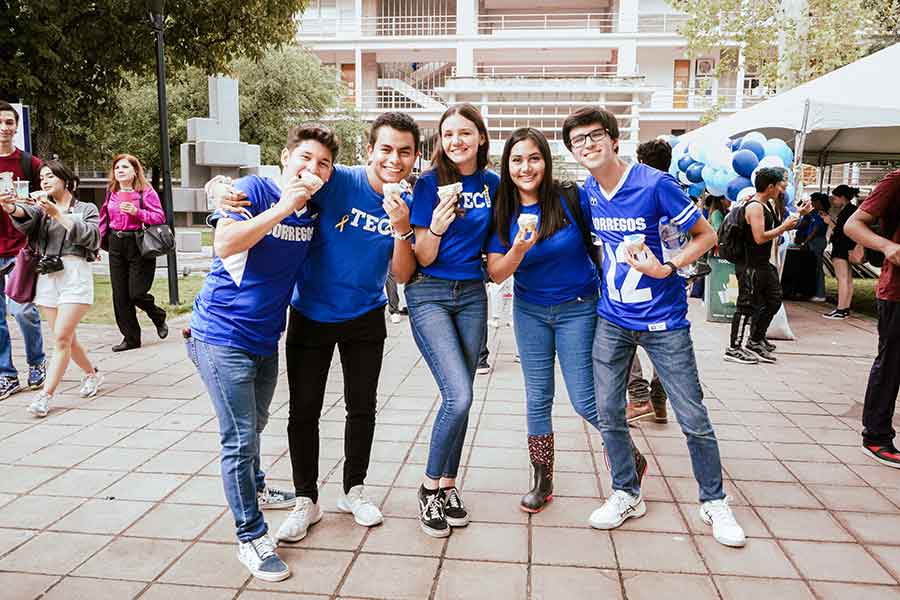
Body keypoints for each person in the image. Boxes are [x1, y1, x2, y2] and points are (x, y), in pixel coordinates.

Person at [211, 113, 418, 544]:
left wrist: (401, 227)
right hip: (310, 312)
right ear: (370, 151)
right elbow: (282, 179)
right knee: (304, 410)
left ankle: (354, 490)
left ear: (415, 157)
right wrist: (219, 189)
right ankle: (307, 498)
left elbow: (401, 274)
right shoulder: (335, 178)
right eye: (386, 149)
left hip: (365, 315)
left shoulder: (408, 198)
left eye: (404, 151)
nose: (394, 160)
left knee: (362, 408)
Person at [562, 106, 746, 548]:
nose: (586, 145)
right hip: (612, 318)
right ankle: (626, 492)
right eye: (577, 140)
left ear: (613, 139)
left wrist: (669, 266)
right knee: (609, 411)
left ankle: (714, 500)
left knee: (692, 414)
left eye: (593, 136)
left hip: (664, 321)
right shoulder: (588, 191)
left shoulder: (654, 183)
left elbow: (706, 236)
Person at [189, 124, 336, 582]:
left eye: (323, 164)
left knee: (257, 423)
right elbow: (225, 243)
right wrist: (279, 206)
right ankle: (251, 536)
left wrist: (298, 205)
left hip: (265, 337)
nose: (312, 169)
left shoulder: (314, 208)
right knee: (239, 438)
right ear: (284, 157)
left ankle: (253, 487)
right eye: (304, 158)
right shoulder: (255, 189)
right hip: (219, 333)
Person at [486, 127, 648, 513]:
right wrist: (520, 249)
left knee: (584, 399)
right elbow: (496, 272)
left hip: (578, 307)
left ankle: (627, 457)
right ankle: (542, 480)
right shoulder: (502, 208)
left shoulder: (570, 198)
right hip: (530, 312)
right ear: (507, 165)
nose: (526, 167)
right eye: (517, 159)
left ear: (546, 159)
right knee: (537, 398)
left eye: (534, 158)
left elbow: (608, 236)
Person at [408, 103, 498, 538]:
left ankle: (448, 485)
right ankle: (428, 489)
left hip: (473, 294)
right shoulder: (428, 185)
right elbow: (422, 255)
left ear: (481, 137)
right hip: (430, 293)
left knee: (465, 396)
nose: (456, 141)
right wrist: (439, 227)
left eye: (465, 133)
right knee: (457, 395)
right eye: (447, 135)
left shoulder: (492, 184)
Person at [2, 160, 101, 417]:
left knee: (60, 338)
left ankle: (45, 395)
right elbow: (25, 218)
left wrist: (59, 214)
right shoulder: (39, 208)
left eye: (50, 176)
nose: (44, 180)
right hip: (47, 277)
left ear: (65, 180)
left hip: (75, 275)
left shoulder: (86, 208)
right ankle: (91, 373)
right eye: (42, 177)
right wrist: (11, 207)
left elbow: (92, 238)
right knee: (67, 337)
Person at [845, 169, 900, 467]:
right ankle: (876, 437)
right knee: (891, 365)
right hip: (897, 293)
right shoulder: (896, 180)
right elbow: (853, 225)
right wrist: (887, 246)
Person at [724, 168, 806, 365]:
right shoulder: (755, 207)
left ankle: (755, 340)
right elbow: (760, 238)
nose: (783, 187)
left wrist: (798, 215)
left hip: (762, 264)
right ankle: (734, 348)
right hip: (750, 264)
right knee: (746, 306)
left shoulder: (767, 204)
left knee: (774, 299)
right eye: (780, 184)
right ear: (770, 186)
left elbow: (774, 228)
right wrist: (784, 227)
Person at [98, 154, 169, 351]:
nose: (120, 170)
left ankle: (157, 315)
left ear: (135, 171)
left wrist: (137, 213)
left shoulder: (145, 191)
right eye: (117, 167)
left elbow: (159, 217)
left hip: (138, 243)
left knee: (136, 293)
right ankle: (131, 338)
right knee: (120, 295)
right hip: (116, 243)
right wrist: (97, 243)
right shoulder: (111, 191)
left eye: (125, 167)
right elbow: (104, 218)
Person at [0, 101, 46, 401]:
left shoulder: (31, 163)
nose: (5, 127)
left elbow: (52, 193)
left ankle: (36, 361)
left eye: (9, 122)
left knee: (22, 310)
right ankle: (6, 374)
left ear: (17, 126)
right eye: (0, 122)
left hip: (20, 248)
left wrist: (35, 199)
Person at [626, 138, 673, 424]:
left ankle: (640, 398)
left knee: (625, 340)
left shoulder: (640, 193)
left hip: (638, 283)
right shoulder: (675, 191)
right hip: (668, 282)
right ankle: (658, 399)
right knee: (662, 344)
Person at [823, 185, 862, 319]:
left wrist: (830, 223)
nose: (833, 201)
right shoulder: (853, 210)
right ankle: (845, 308)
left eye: (835, 198)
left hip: (841, 248)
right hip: (848, 247)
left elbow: (842, 231)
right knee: (848, 279)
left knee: (842, 279)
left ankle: (840, 309)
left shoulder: (847, 211)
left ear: (842, 198)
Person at [794, 192, 829, 302]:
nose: (812, 203)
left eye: (813, 201)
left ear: (818, 202)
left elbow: (816, 229)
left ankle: (820, 294)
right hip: (813, 241)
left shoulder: (821, 214)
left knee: (818, 268)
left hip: (817, 241)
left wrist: (806, 242)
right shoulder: (815, 213)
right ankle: (812, 291)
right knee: (813, 267)